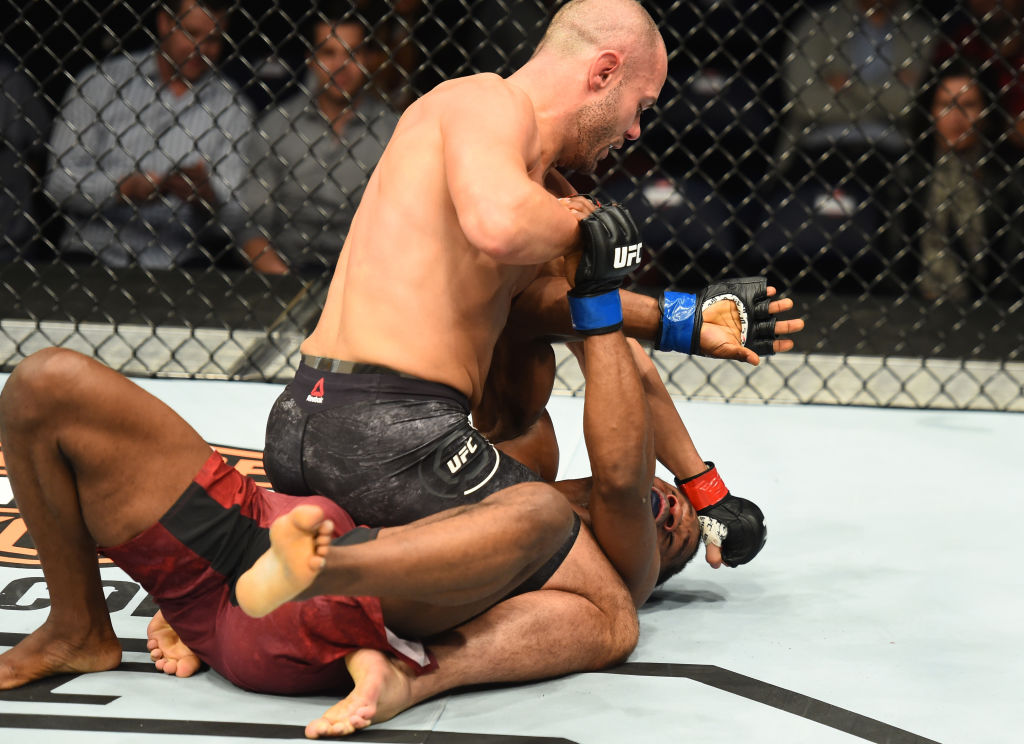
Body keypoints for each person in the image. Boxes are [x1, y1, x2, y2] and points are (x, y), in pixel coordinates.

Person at [262, 0, 792, 534]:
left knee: (580, 495)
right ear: (604, 72)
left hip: (317, 423)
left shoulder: (546, 199)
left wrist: (706, 490)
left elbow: (615, 352)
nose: (634, 131)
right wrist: (592, 234)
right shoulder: (482, 100)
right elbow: (498, 225)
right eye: (640, 105)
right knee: (609, 580)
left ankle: (344, 572)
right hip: (391, 427)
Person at [45, 0, 251, 269]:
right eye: (191, 33)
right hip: (93, 253)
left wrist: (207, 197)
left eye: (213, 39)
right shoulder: (99, 83)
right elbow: (57, 184)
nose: (201, 49)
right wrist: (123, 188)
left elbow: (241, 218)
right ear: (165, 23)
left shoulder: (232, 107)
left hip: (180, 261)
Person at [238, 1, 400, 275]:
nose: (340, 66)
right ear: (310, 59)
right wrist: (285, 282)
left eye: (353, 54)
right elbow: (250, 225)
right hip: (286, 272)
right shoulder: (276, 126)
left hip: (368, 276)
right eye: (329, 53)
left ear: (369, 59)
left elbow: (403, 231)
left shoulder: (394, 132)